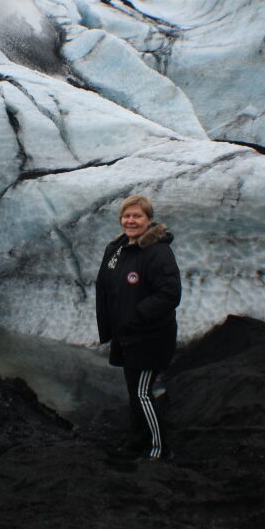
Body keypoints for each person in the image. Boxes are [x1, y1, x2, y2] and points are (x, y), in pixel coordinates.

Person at [95, 194, 181, 461]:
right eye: (126, 216)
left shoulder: (158, 252)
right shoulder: (118, 248)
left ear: (149, 219)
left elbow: (169, 294)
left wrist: (135, 315)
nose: (130, 221)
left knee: (142, 393)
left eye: (137, 216)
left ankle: (159, 450)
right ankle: (136, 442)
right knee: (135, 393)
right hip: (127, 336)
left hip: (148, 338)